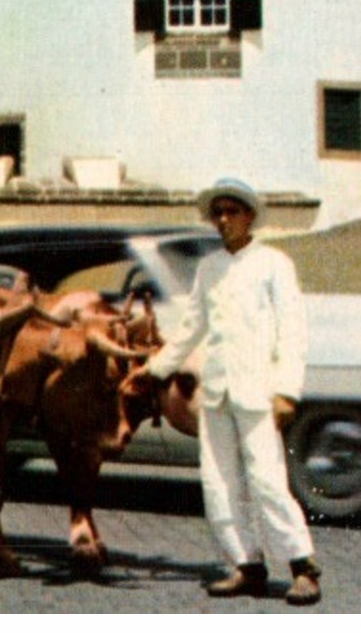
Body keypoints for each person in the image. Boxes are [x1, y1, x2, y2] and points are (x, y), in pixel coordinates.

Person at [135, 177, 322, 606]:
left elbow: (293, 331)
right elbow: (190, 328)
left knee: (268, 479)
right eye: (217, 213)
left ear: (249, 216)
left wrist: (287, 390)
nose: (222, 220)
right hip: (216, 391)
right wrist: (155, 369)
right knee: (218, 482)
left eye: (231, 211)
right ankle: (246, 566)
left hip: (259, 392)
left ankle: (302, 566)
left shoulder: (275, 264)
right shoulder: (210, 267)